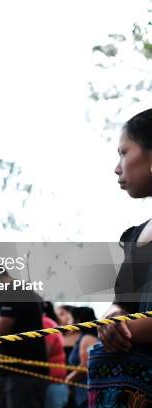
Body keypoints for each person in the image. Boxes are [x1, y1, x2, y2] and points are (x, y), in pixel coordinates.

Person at [88, 108, 152, 407]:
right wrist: (112, 318)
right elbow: (122, 302)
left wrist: (123, 330)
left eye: (123, 152)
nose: (117, 167)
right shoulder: (133, 236)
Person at [0, 271, 48, 408]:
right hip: (15, 373)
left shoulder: (14, 291)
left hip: (21, 376)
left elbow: (0, 333)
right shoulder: (18, 290)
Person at [65, 307, 97, 408]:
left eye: (70, 319)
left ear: (78, 321)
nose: (68, 322)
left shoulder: (87, 338)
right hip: (82, 391)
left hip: (86, 392)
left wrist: (67, 380)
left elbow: (85, 367)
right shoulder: (83, 337)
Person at [42, 302, 68, 408]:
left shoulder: (45, 323)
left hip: (52, 385)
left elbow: (44, 353)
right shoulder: (50, 323)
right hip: (53, 385)